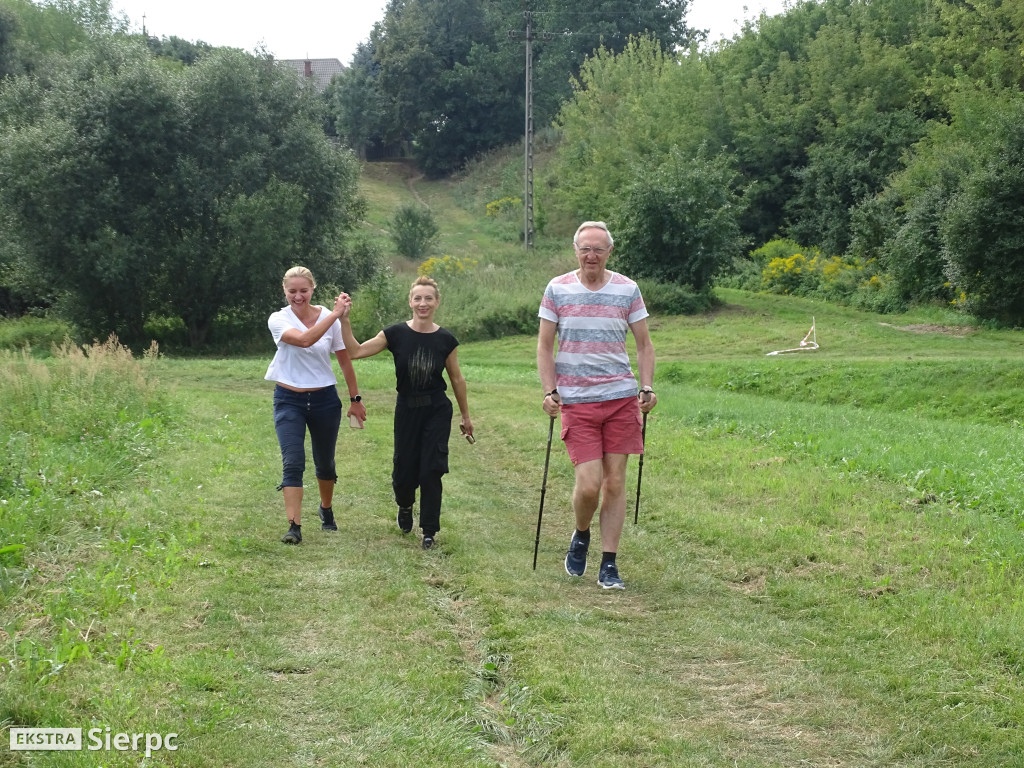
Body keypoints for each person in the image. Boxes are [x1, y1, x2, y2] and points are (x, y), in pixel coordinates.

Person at [537, 221, 657, 590]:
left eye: (598, 249)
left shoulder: (627, 290)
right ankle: (581, 532)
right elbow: (544, 346)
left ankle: (609, 563)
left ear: (609, 252)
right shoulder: (557, 288)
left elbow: (644, 345)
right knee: (589, 486)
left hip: (621, 399)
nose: (591, 255)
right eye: (585, 248)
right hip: (577, 401)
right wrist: (549, 390)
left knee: (615, 482)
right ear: (575, 249)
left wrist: (647, 386)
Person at [338, 276, 473, 550]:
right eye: (418, 298)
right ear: (410, 301)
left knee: (431, 469)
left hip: (436, 408)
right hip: (407, 408)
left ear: (437, 302)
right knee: (404, 469)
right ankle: (405, 504)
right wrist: (344, 319)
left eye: (428, 298)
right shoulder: (394, 334)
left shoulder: (446, 339)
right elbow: (355, 351)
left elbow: (457, 379)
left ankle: (429, 530)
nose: (423, 303)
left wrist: (465, 417)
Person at [265, 266, 367, 544]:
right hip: (288, 399)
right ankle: (294, 527)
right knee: (293, 461)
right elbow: (304, 339)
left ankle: (326, 509)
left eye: (304, 291)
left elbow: (345, 360)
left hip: (324, 399)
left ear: (313, 289)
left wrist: (355, 399)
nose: (298, 296)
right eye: (292, 291)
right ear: (284, 291)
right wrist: (335, 314)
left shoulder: (329, 319)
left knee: (325, 461)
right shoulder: (278, 319)